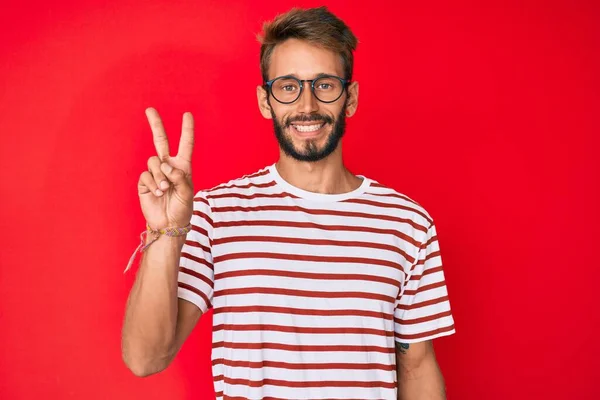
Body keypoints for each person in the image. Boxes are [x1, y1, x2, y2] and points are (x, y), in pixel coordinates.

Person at [121, 6, 456, 400]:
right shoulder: (214, 213)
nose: (307, 106)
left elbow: (416, 367)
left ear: (350, 98)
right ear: (266, 101)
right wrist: (164, 233)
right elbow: (145, 359)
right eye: (288, 86)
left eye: (325, 85)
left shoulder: (408, 224)